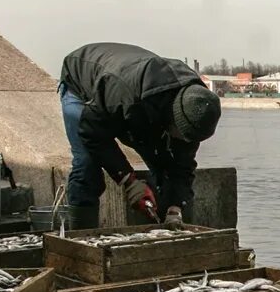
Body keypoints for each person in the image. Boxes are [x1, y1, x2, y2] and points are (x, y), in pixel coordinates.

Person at [58, 42, 222, 230]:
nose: (186, 143)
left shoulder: (197, 108)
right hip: (82, 85)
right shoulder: (123, 94)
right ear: (173, 120)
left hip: (140, 97)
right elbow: (91, 133)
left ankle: (168, 232)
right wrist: (128, 180)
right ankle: (80, 241)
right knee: (87, 164)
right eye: (183, 136)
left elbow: (182, 165)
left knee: (165, 167)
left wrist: (176, 207)